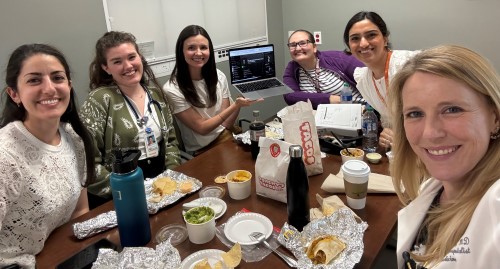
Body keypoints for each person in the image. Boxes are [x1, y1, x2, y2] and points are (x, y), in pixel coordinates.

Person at [388, 45, 500, 268]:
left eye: (452, 110)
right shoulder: (434, 189)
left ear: (495, 117)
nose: (430, 133)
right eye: (415, 114)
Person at [0, 44, 96, 267]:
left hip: (56, 256)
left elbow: (80, 211)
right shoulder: (5, 156)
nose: (49, 88)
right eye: (34, 80)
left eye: (57, 78)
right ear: (14, 93)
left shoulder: (74, 137)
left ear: (69, 86)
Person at [80, 31, 180, 207]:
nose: (128, 66)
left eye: (131, 57)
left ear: (140, 57)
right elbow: (88, 161)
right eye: (117, 61)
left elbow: (171, 141)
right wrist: (127, 191)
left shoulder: (155, 94)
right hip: (118, 195)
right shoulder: (99, 100)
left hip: (160, 187)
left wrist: (170, 180)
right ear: (105, 67)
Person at [164, 25, 261, 155]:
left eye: (203, 47)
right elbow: (202, 128)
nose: (198, 53)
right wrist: (236, 105)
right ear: (181, 51)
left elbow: (226, 123)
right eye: (191, 48)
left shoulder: (218, 76)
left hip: (227, 136)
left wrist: (239, 102)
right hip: (202, 150)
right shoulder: (172, 89)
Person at [344, 11, 420, 148]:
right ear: (349, 46)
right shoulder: (363, 80)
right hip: (401, 150)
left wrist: (400, 135)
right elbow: (389, 120)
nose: (363, 44)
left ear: (385, 39)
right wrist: (389, 133)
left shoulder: (408, 65)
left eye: (371, 35)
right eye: (355, 38)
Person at [283, 29, 365, 109]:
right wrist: (330, 99)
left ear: (314, 47)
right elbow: (289, 96)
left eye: (303, 43)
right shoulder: (291, 68)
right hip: (326, 118)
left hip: (362, 111)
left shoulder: (337, 58)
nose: (297, 48)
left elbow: (369, 77)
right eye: (292, 45)